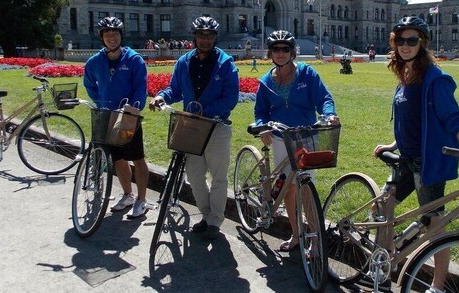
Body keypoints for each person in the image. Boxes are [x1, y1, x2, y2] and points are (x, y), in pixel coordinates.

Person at [373, 16, 459, 293]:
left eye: (412, 40)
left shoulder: (434, 77)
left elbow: (454, 117)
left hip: (426, 161)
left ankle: (438, 287)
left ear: (423, 43)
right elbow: (410, 118)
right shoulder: (404, 72)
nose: (405, 46)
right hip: (405, 157)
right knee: (382, 205)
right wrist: (393, 143)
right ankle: (385, 263)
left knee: (435, 223)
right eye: (400, 40)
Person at [149, 15, 239, 241]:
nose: (205, 40)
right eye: (201, 35)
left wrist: (206, 111)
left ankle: (215, 220)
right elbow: (175, 90)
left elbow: (230, 98)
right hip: (190, 126)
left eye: (209, 36)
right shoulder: (184, 62)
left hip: (216, 126)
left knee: (219, 176)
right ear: (195, 37)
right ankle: (206, 214)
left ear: (215, 37)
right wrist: (161, 97)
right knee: (194, 175)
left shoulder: (226, 64)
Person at [254, 30, 339, 252]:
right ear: (270, 53)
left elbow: (324, 98)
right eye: (276, 49)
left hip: (305, 137)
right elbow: (261, 110)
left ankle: (314, 239)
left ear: (292, 52)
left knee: (305, 188)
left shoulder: (307, 74)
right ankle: (296, 234)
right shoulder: (265, 81)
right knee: (287, 189)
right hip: (281, 138)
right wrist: (263, 125)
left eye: (284, 49)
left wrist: (329, 114)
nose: (280, 53)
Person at [83, 17, 151, 219]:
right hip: (107, 116)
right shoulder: (95, 61)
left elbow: (141, 88)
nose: (111, 38)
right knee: (118, 159)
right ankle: (128, 195)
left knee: (137, 158)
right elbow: (89, 84)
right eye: (107, 35)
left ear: (121, 36)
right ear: (102, 38)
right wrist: (100, 101)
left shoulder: (133, 60)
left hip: (128, 116)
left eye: (115, 34)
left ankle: (142, 199)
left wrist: (134, 107)